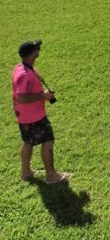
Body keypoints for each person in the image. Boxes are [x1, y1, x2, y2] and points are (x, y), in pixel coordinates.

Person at [12, 40, 69, 184]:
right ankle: (51, 175)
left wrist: (43, 93)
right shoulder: (24, 74)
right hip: (34, 117)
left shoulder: (21, 67)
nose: (39, 49)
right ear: (32, 53)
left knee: (28, 142)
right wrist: (42, 96)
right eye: (37, 48)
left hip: (25, 116)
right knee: (48, 141)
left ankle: (26, 172)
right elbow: (21, 97)